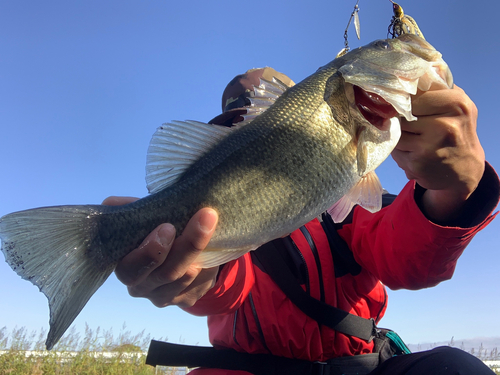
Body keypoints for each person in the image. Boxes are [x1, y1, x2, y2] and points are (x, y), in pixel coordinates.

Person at [103, 67, 500, 374]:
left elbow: (405, 253)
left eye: (271, 129)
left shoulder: (353, 201)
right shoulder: (225, 217)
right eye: (239, 137)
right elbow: (227, 283)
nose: (258, 146)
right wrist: (195, 275)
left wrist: (457, 189)